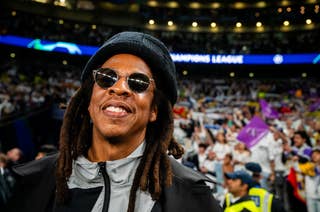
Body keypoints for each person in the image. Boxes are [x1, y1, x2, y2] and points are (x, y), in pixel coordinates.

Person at [6, 31, 222, 212]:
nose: (118, 88)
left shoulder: (192, 198)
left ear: (154, 111)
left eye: (138, 82)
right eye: (106, 77)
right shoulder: (33, 182)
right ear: (89, 101)